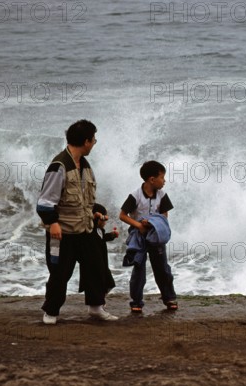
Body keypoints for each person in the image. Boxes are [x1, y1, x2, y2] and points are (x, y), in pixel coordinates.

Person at [36, 120, 118, 324]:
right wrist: (52, 223)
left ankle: (96, 307)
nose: (95, 143)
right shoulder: (59, 166)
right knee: (60, 273)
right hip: (63, 231)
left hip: (85, 229)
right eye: (93, 139)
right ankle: (51, 312)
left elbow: (84, 201)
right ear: (85, 141)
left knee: (96, 267)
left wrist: (97, 214)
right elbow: (45, 201)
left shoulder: (85, 166)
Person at [119, 160, 177, 312]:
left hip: (156, 235)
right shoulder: (135, 195)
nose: (164, 181)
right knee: (139, 269)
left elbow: (164, 215)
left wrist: (152, 223)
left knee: (162, 268)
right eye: (162, 177)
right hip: (138, 236)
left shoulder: (162, 195)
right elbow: (123, 215)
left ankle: (169, 298)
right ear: (152, 179)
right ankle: (136, 302)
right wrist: (139, 225)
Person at [78, 203, 118, 315]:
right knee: (94, 285)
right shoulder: (89, 231)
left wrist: (112, 235)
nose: (105, 222)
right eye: (103, 219)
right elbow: (89, 225)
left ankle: (99, 302)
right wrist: (94, 217)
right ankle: (95, 307)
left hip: (102, 264)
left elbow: (103, 239)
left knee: (109, 283)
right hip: (91, 265)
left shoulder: (100, 231)